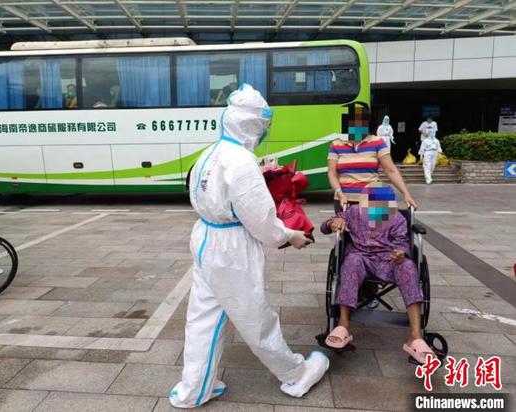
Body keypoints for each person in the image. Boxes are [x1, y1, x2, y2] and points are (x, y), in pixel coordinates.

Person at [170, 84, 329, 408]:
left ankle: (194, 388)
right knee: (256, 317)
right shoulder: (241, 162)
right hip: (231, 248)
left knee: (203, 318)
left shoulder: (210, 153)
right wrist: (290, 236)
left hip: (205, 238)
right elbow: (261, 222)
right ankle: (295, 374)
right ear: (254, 126)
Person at [320, 182, 435, 364]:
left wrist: (400, 252)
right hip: (361, 259)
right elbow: (324, 227)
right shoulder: (353, 212)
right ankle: (343, 326)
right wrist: (334, 221)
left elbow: (402, 242)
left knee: (408, 266)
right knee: (351, 261)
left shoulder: (396, 219)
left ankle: (415, 336)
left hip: (388, 260)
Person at [327, 102, 417, 212]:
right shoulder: (336, 144)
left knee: (374, 229)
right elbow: (332, 173)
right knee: (344, 229)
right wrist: (340, 194)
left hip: (372, 201)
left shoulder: (377, 142)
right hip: (344, 202)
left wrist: (406, 194)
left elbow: (390, 170)